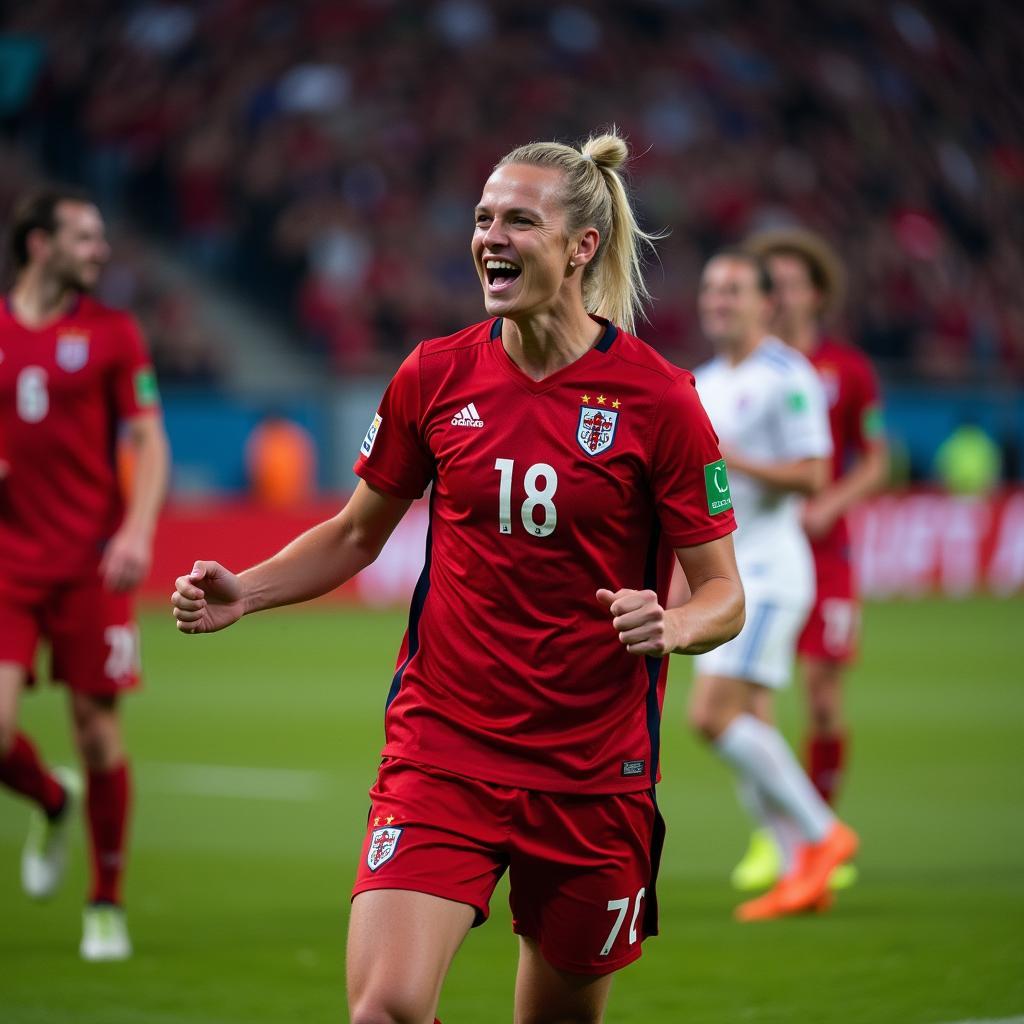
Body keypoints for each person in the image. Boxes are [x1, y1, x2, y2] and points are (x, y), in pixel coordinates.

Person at [172, 130, 745, 1024]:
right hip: (445, 750)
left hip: (595, 770)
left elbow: (724, 594)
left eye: (520, 220)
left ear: (580, 247)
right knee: (387, 1010)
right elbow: (357, 535)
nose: (491, 238)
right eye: (483, 220)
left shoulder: (659, 400)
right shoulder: (434, 375)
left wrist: (674, 624)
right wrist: (249, 587)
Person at [0, 189, 169, 960]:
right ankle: (51, 797)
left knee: (98, 735)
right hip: (8, 561)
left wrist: (136, 531)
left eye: (103, 237)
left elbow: (150, 439)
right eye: (85, 237)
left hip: (90, 561)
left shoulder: (113, 332)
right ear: (39, 243)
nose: (100, 250)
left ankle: (106, 901)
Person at [682, 250, 858, 922]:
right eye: (710, 288)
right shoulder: (699, 382)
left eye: (733, 290)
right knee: (748, 721)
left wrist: (736, 460)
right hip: (726, 570)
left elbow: (815, 474)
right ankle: (796, 874)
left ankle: (822, 834)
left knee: (712, 716)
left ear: (765, 302)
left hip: (769, 572)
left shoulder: (788, 375)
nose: (718, 300)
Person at [739, 228, 888, 892]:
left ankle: (821, 825)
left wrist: (831, 504)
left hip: (826, 554)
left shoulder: (847, 370)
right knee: (753, 699)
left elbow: (878, 459)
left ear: (816, 294)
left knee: (824, 698)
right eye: (769, 282)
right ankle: (778, 840)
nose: (779, 295)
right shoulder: (748, 369)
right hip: (762, 550)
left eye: (791, 282)